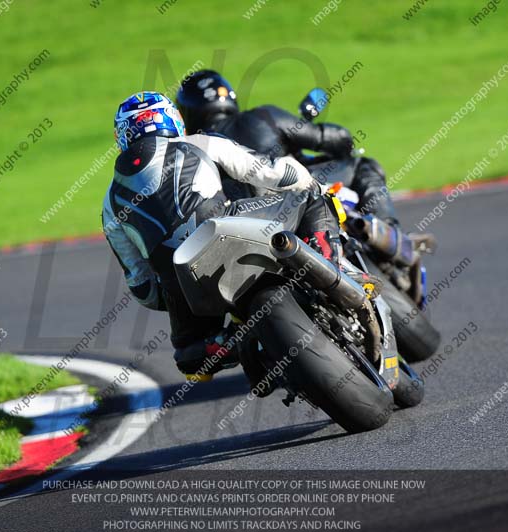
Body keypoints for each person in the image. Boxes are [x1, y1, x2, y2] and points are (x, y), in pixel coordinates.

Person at [102, 91, 368, 380]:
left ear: (123, 137)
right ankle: (333, 265)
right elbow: (270, 174)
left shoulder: (109, 204)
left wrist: (176, 292)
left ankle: (229, 343)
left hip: (183, 280)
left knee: (189, 355)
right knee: (312, 197)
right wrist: (307, 180)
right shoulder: (200, 142)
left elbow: (142, 287)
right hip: (228, 228)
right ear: (173, 120)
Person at [175, 70, 400, 227]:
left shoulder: (189, 148)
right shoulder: (263, 116)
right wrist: (344, 144)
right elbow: (330, 137)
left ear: (186, 113)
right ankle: (390, 231)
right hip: (293, 190)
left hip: (236, 218)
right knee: (363, 166)